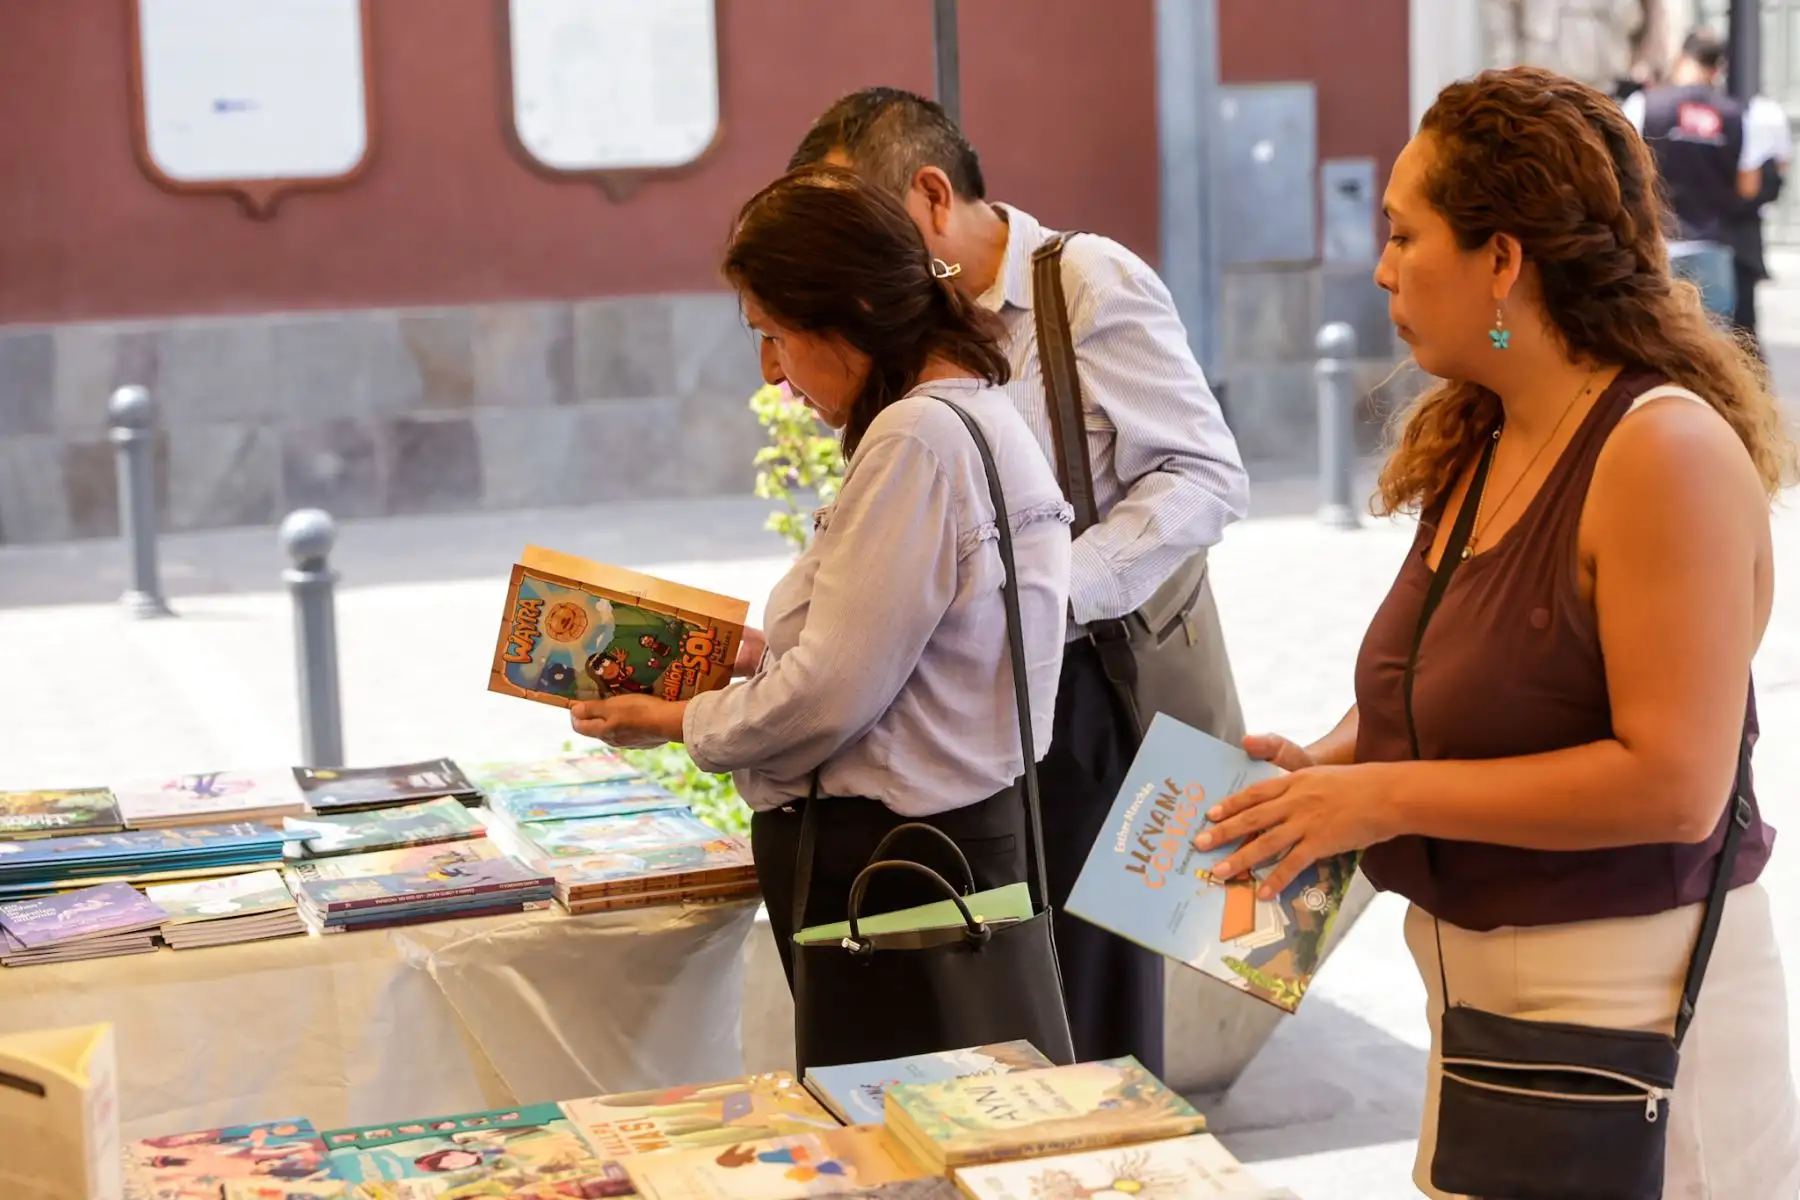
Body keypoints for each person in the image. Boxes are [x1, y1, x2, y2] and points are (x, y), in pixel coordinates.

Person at [1199, 66, 1800, 1196]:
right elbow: (1467, 686)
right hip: (1487, 1027)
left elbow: (1676, 785)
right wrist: (1327, 771)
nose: (1381, 268)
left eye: (1403, 234)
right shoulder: (1486, 435)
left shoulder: (1661, 449)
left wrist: (1383, 797)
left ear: (1502, 260)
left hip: (1637, 1039)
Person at [788, 87, 1249, 1078]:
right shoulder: (906, 322)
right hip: (962, 718)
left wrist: (1046, 593)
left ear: (930, 195)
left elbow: (1206, 474)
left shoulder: (1083, 282)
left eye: (859, 223)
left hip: (1084, 702)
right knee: (991, 1024)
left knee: (1090, 1027)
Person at [568, 165, 1074, 993]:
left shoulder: (916, 437)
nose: (772, 371)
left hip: (888, 863)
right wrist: (753, 653)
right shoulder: (972, 409)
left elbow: (828, 697)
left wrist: (673, 720)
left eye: (775, 333)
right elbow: (907, 650)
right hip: (939, 844)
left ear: (855, 309)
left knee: (891, 1070)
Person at [1622, 29, 1766, 318]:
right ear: (1717, 69)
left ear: (1681, 58)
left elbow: (1623, 168)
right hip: (1713, 246)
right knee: (1710, 338)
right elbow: (1749, 186)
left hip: (1656, 244)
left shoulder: (1644, 105)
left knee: (1653, 333)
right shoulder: (1738, 115)